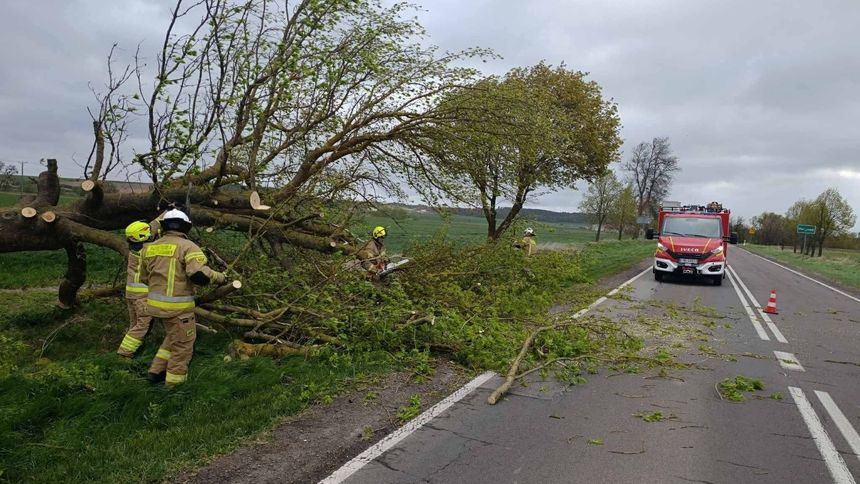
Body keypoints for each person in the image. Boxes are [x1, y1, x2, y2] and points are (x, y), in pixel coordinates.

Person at [139, 209, 226, 385]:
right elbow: (199, 275)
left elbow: (143, 278)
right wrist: (220, 277)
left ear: (164, 226)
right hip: (177, 310)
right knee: (183, 345)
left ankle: (155, 372)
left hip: (154, 307)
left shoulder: (148, 248)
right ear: (186, 227)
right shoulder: (188, 247)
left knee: (173, 337)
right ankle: (174, 385)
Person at [116, 220, 162, 358]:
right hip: (142, 296)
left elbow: (151, 229)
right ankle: (124, 353)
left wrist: (164, 215)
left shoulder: (134, 249)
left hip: (131, 294)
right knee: (142, 325)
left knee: (134, 324)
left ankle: (134, 351)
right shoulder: (148, 251)